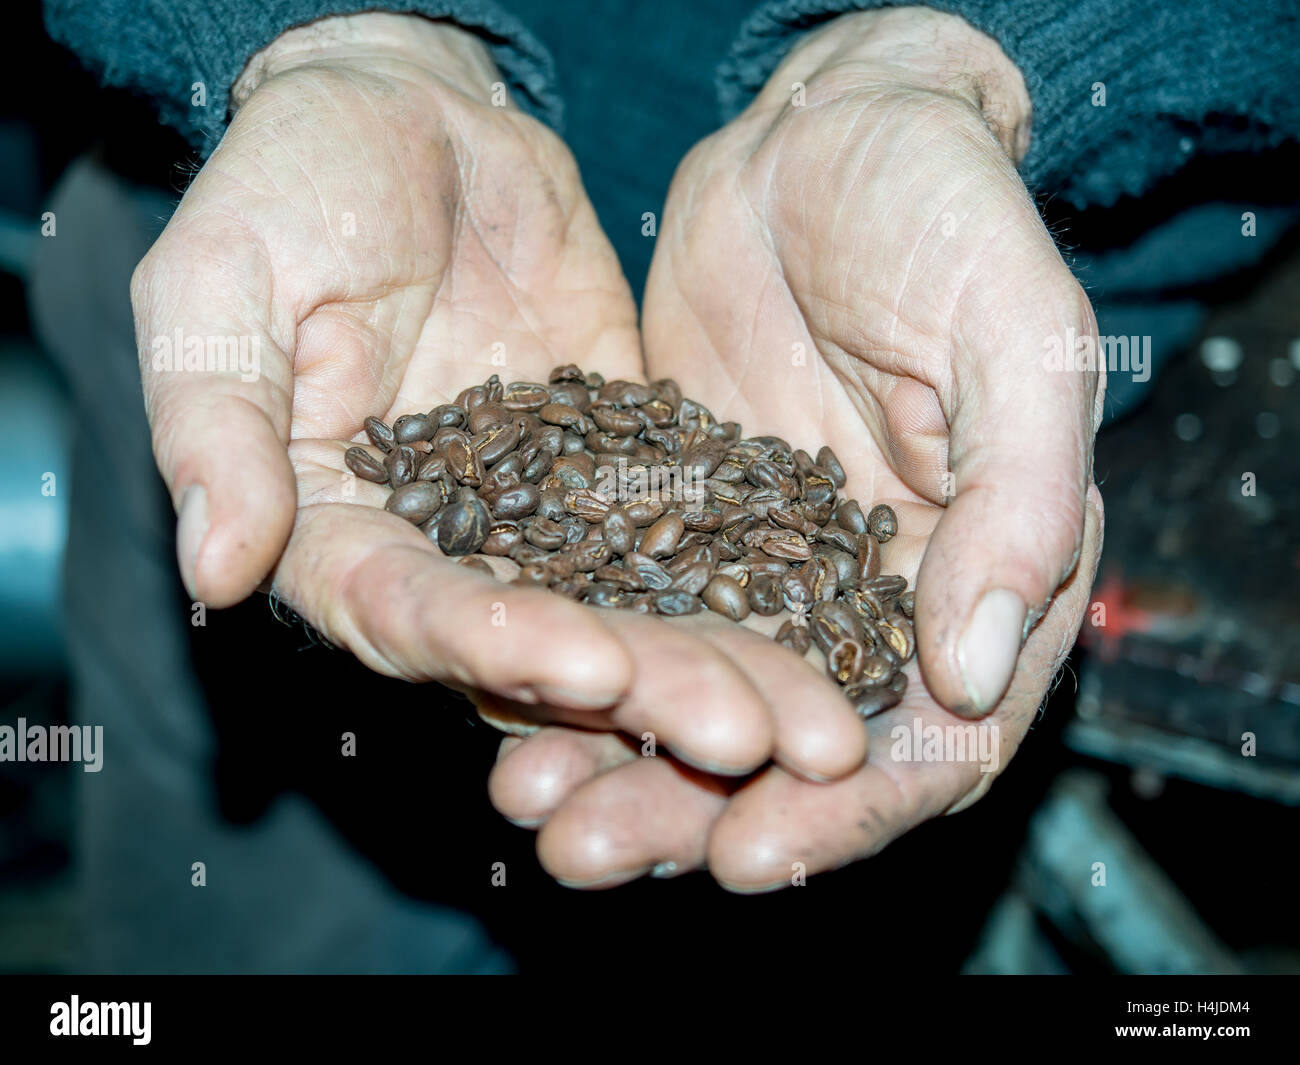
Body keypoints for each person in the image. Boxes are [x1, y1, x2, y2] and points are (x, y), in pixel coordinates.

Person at [35, 0, 1297, 968]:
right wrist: (319, 35)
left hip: (911, 321)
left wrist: (957, 57)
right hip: (317, 282)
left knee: (803, 890)